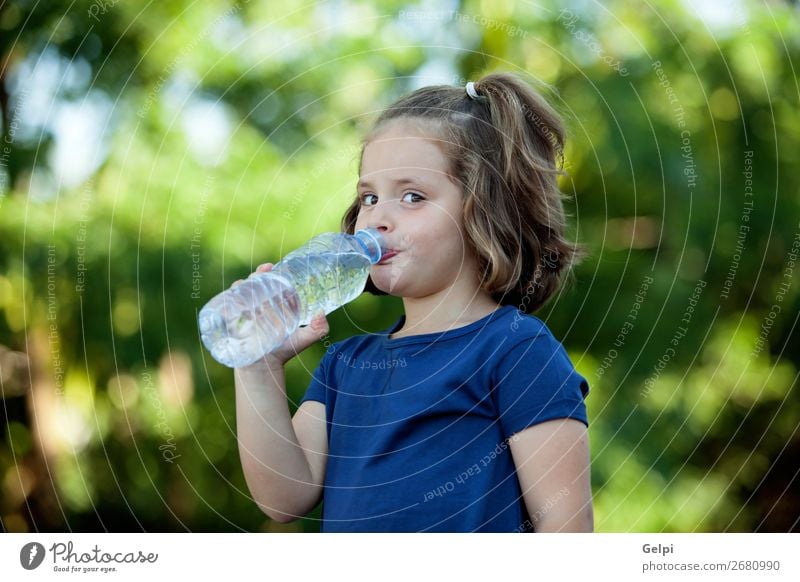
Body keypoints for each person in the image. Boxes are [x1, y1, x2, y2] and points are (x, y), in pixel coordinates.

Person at [234, 72, 593, 532]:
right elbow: (283, 496)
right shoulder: (345, 366)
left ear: (482, 211)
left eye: (412, 196)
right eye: (369, 196)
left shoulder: (515, 351)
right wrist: (257, 368)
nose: (378, 217)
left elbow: (567, 528)